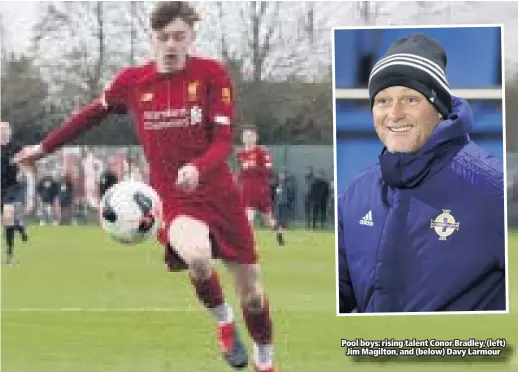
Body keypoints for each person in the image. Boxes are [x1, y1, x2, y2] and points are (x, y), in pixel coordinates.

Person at [15, 3, 276, 371]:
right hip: (175, 199)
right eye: (164, 37)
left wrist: (197, 167)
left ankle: (265, 361)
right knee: (199, 258)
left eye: (179, 37)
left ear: (191, 37)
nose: (171, 44)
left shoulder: (211, 75)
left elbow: (222, 141)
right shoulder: (133, 82)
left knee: (253, 296)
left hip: (221, 195)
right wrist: (43, 148)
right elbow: (89, 115)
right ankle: (223, 322)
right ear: (153, 38)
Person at [337, 33, 505, 313]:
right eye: (383, 101)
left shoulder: (493, 188)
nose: (395, 113)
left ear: (439, 108)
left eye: (411, 99)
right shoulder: (356, 193)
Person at [236, 126, 284, 245]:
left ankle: (278, 230)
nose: (247, 138)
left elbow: (268, 170)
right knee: (248, 219)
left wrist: (254, 168)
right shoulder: (240, 154)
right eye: (245, 136)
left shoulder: (262, 152)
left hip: (261, 191)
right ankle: (251, 247)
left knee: (268, 221)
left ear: (256, 138)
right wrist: (237, 180)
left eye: (250, 136)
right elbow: (242, 173)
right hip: (247, 191)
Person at [1, 121, 31, 264]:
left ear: (10, 132)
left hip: (13, 186)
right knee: (8, 220)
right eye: (1, 129)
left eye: (6, 129)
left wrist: (21, 172)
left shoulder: (16, 148)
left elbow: (25, 165)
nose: (4, 131)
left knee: (8, 214)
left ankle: (9, 254)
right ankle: (19, 225)